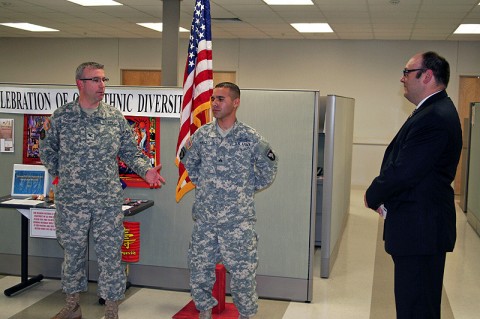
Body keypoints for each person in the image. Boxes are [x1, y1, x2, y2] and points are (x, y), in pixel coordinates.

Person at [40, 62, 166, 319]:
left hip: (106, 201)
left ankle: (111, 309)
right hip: (71, 201)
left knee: (110, 255)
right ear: (80, 83)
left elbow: (130, 152)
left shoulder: (114, 117)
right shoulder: (62, 117)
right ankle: (73, 305)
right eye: (96, 80)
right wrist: (65, 176)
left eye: (103, 79)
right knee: (72, 252)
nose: (102, 85)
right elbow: (47, 151)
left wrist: (146, 170)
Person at [364, 52, 462, 319]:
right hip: (420, 227)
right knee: (416, 303)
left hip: (421, 230)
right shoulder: (432, 111)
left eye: (407, 72)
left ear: (427, 75)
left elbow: (405, 171)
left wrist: (373, 194)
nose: (402, 78)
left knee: (416, 307)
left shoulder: (435, 117)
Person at [179, 82, 278, 319]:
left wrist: (244, 190)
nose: (214, 103)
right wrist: (205, 185)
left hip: (238, 222)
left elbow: (269, 169)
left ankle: (246, 315)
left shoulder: (250, 137)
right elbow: (189, 163)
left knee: (244, 275)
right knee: (200, 271)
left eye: (220, 99)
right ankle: (204, 312)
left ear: (236, 102)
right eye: (213, 98)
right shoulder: (201, 136)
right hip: (205, 221)